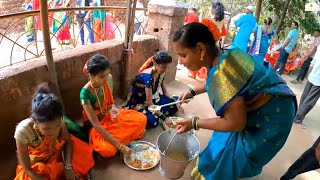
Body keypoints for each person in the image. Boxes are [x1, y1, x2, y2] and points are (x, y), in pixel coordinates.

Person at [173, 22, 297, 179]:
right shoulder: (226, 52)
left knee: (234, 151)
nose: (180, 61)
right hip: (276, 96)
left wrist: (193, 123)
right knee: (222, 139)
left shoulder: (221, 74)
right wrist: (193, 91)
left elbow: (235, 124)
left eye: (183, 55)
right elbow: (226, 79)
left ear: (200, 49)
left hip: (273, 114)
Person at [14, 84, 94, 179]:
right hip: (36, 162)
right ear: (35, 120)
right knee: (36, 173)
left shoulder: (59, 120)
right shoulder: (22, 131)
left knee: (80, 155)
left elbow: (67, 141)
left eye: (56, 126)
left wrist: (68, 166)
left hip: (54, 153)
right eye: (46, 128)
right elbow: (28, 169)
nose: (52, 131)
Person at [80, 54, 147, 158]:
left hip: (109, 116)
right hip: (97, 125)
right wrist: (121, 146)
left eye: (107, 74)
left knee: (142, 119)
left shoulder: (108, 79)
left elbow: (110, 103)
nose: (106, 79)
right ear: (91, 75)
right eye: (102, 76)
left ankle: (121, 138)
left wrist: (113, 109)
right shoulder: (84, 94)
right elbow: (96, 125)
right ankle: (121, 141)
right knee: (107, 150)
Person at [124, 52, 179, 128]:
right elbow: (149, 103)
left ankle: (155, 111)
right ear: (155, 64)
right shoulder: (148, 77)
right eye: (163, 67)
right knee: (153, 121)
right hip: (140, 101)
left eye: (166, 67)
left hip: (152, 97)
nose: (165, 69)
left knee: (175, 104)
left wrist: (176, 102)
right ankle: (144, 113)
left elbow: (165, 92)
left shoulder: (160, 72)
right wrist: (164, 118)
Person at [293, 45, 320, 129]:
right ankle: (298, 119)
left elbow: (314, 60)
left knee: (305, 95)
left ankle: (298, 113)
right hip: (318, 78)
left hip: (313, 74)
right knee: (311, 100)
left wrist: (309, 72)